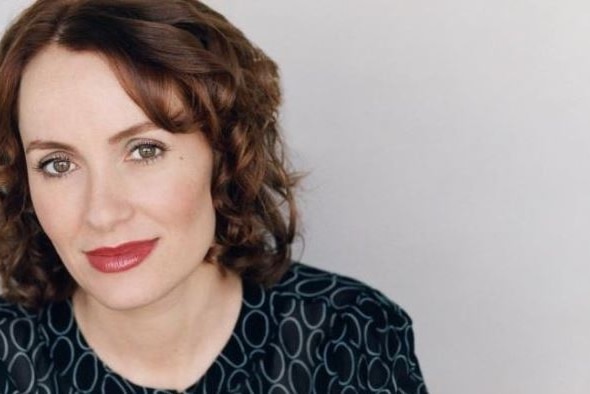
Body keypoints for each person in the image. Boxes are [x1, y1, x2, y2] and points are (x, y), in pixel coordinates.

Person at [0, 0, 427, 392]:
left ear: (224, 153)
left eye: (145, 150)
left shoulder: (348, 333)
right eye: (57, 163)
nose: (102, 213)